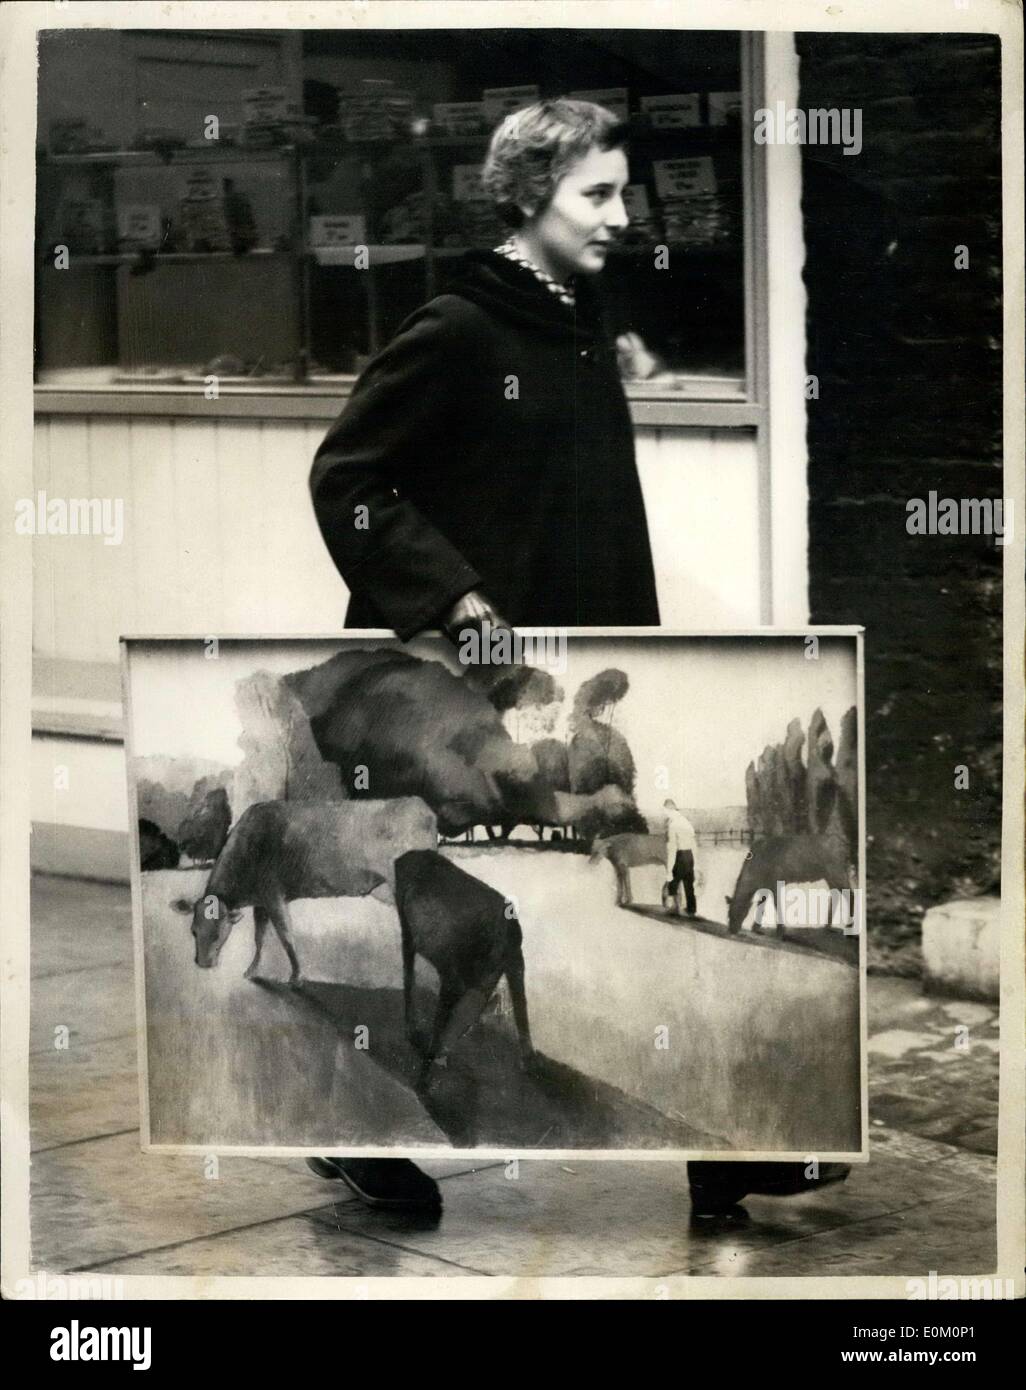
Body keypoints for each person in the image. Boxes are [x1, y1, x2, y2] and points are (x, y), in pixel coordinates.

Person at [307, 97, 847, 1218]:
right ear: (524, 195)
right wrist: (455, 596)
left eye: (624, 191)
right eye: (596, 193)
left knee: (607, 899)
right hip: (478, 685)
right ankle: (358, 1138)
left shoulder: (578, 312)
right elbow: (347, 478)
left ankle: (729, 1156)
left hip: (582, 633)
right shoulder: (457, 326)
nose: (621, 215)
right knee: (448, 905)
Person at [663, 798, 698, 916]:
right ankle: (691, 909)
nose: (665, 814)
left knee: (673, 880)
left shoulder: (673, 825)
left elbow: (672, 847)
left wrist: (669, 870)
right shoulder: (686, 821)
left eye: (666, 811)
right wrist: (696, 862)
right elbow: (693, 842)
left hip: (680, 855)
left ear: (669, 810)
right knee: (689, 883)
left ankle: (675, 907)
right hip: (689, 855)